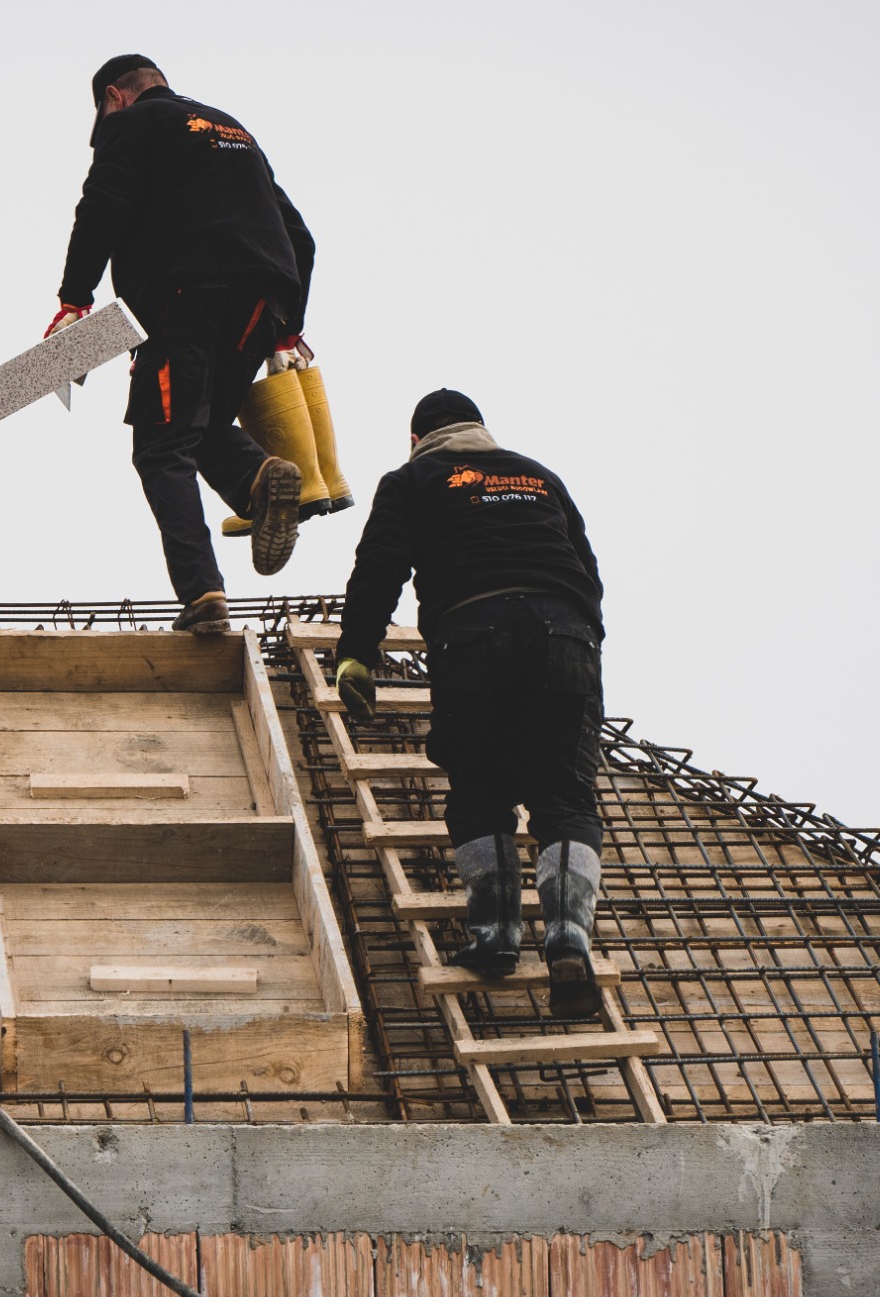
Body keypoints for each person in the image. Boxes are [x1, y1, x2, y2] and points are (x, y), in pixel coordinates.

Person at [334, 390, 610, 1019]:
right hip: (564, 636)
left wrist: (356, 651)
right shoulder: (541, 476)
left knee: (480, 793)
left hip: (472, 634)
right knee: (565, 798)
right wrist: (579, 646)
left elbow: (380, 565)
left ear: (415, 440)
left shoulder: (411, 479)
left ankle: (495, 939)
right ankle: (568, 937)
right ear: (482, 430)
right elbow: (588, 574)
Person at [48, 54, 316, 636]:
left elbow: (103, 207)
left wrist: (75, 299)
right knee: (204, 425)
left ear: (115, 97)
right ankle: (258, 478)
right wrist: (289, 327)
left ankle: (203, 596)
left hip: (181, 300)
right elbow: (300, 236)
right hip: (257, 310)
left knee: (160, 449)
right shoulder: (235, 132)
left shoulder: (131, 126)